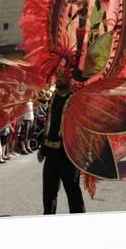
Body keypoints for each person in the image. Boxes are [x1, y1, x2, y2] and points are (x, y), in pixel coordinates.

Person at [37, 68, 86, 214]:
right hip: (51, 154)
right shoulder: (53, 98)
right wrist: (42, 149)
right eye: (57, 75)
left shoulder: (77, 99)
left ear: (70, 78)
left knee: (73, 194)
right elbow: (49, 126)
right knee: (48, 194)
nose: (58, 77)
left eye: (62, 75)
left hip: (69, 155)